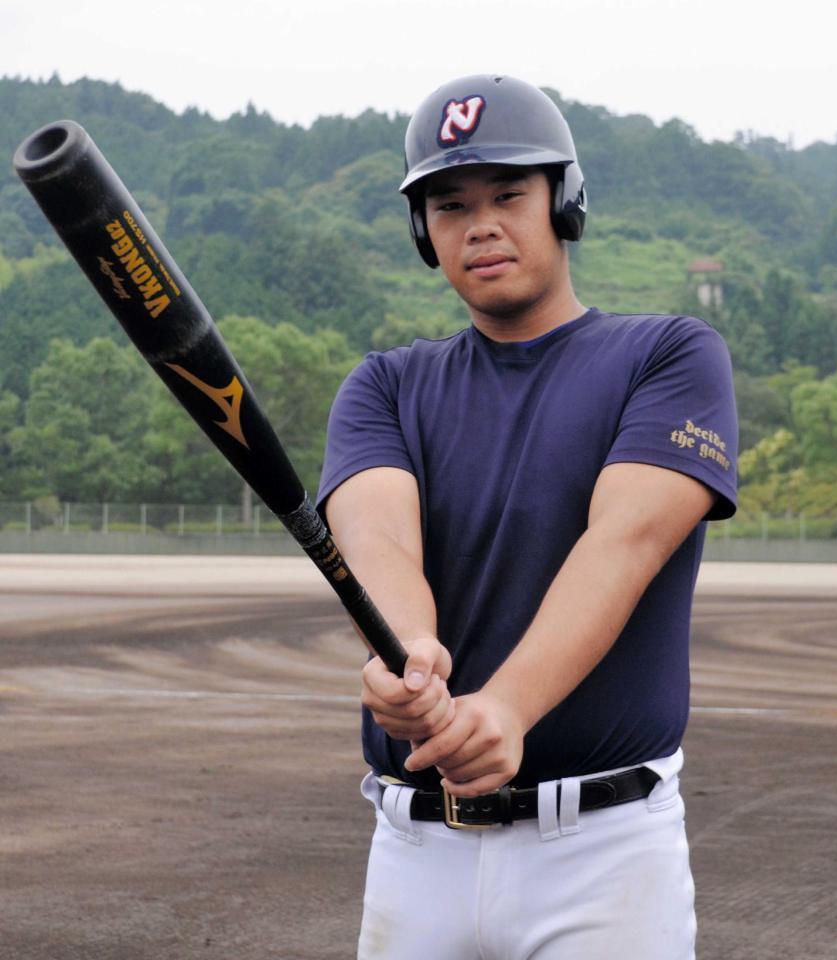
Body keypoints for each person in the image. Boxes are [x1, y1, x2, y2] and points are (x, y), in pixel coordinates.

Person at [315, 74, 738, 960]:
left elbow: (624, 544)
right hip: (417, 851)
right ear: (422, 232)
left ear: (564, 202)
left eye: (509, 193)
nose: (480, 224)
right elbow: (380, 539)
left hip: (602, 856)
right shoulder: (385, 385)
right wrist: (413, 661)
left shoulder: (667, 356)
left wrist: (505, 707)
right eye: (448, 203)